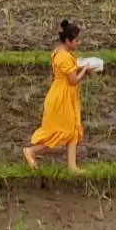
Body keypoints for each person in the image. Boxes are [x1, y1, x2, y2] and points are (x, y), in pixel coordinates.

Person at [23, 19, 93, 175]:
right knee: (60, 132)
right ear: (67, 41)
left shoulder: (62, 52)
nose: (78, 43)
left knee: (73, 129)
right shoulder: (63, 57)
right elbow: (73, 80)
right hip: (61, 97)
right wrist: (85, 70)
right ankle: (31, 151)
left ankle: (72, 167)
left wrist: (80, 68)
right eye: (76, 41)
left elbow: (70, 72)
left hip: (65, 95)